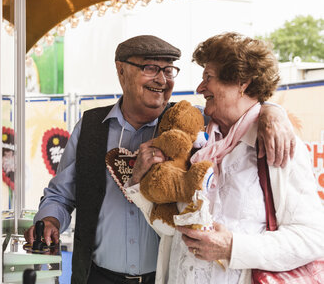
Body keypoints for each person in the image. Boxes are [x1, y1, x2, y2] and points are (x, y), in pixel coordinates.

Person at [24, 35, 295, 284]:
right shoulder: (91, 126)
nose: (162, 79)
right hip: (97, 275)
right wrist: (50, 220)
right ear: (121, 71)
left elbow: (242, 108)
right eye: (150, 68)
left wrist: (273, 112)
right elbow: (60, 195)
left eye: (169, 70)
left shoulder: (194, 122)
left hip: (164, 277)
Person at [126, 32, 324, 283]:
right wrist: (139, 184)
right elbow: (170, 230)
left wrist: (233, 247)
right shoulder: (197, 143)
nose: (199, 88)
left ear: (242, 83)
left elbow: (314, 237)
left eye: (208, 77)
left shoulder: (277, 145)